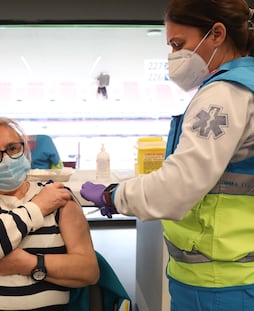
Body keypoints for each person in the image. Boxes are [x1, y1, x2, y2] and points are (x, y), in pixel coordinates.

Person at [81, 0, 254, 310]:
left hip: (220, 282)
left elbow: (176, 188)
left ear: (216, 34)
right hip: (225, 273)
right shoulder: (244, 84)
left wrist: (113, 195)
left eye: (179, 44)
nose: (174, 56)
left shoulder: (224, 94)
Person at [0, 117, 99, 311]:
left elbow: (88, 271)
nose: (7, 159)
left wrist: (31, 264)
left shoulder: (58, 196)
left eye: (12, 148)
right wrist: (38, 207)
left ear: (25, 151)